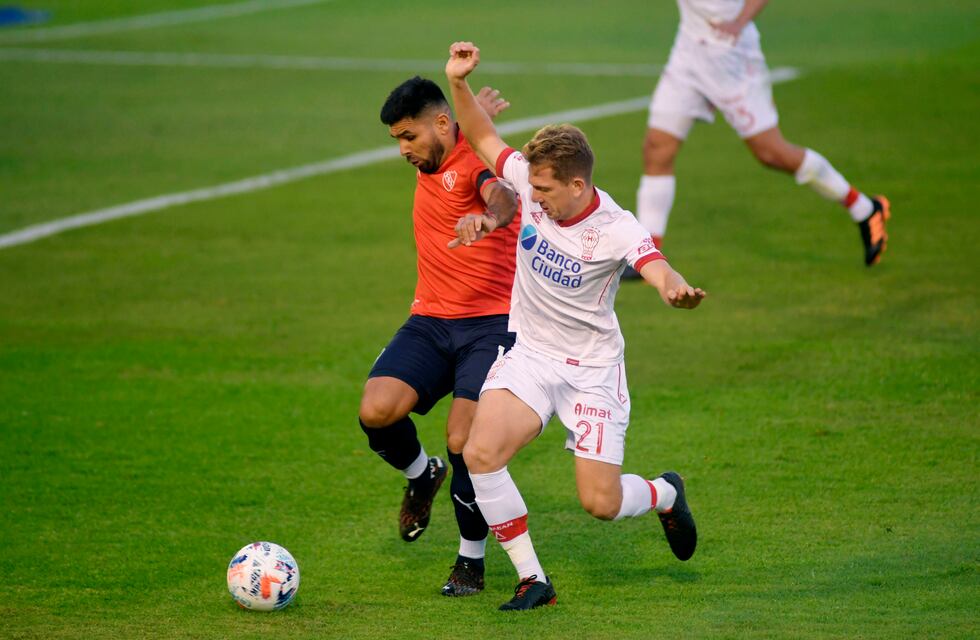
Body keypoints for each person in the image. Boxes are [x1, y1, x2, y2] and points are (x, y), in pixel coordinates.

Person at [445, 42, 706, 611]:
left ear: (578, 186)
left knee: (600, 503)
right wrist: (458, 82)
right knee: (480, 452)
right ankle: (533, 580)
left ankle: (665, 493)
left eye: (543, 191)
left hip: (591, 371)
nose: (532, 198)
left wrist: (674, 289)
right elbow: (483, 136)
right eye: (532, 187)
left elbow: (655, 265)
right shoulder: (531, 185)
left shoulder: (615, 227)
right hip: (531, 356)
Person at [358, 76, 520, 597]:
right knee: (377, 410)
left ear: (442, 124)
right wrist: (472, 117)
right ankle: (420, 475)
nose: (403, 150)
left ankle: (471, 560)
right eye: (397, 140)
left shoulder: (476, 165)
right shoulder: (439, 151)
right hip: (430, 319)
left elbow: (504, 196)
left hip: (492, 324)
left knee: (462, 441)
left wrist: (487, 220)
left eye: (409, 136)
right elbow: (456, 136)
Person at [632, 0, 890, 270]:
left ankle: (864, 208)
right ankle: (649, 254)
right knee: (656, 147)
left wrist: (739, 22)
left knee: (772, 153)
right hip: (688, 53)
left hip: (732, 57)